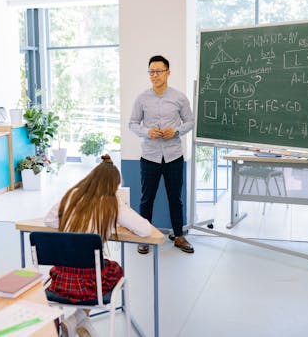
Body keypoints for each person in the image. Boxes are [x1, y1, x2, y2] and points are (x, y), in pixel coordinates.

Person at [44, 154, 152, 337]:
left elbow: (49, 220)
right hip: (90, 285)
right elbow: (145, 230)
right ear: (113, 185)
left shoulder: (71, 195)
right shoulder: (112, 204)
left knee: (93, 268)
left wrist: (73, 225)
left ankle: (74, 323)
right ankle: (79, 320)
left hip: (61, 280)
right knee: (114, 269)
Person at [129, 55, 195, 254]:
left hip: (174, 156)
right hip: (150, 156)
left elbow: (190, 122)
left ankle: (179, 235)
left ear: (168, 72)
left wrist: (176, 131)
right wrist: (146, 132)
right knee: (146, 198)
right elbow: (132, 123)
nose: (154, 75)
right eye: (151, 71)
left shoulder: (179, 97)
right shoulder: (141, 98)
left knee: (175, 197)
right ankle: (144, 236)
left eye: (158, 71)